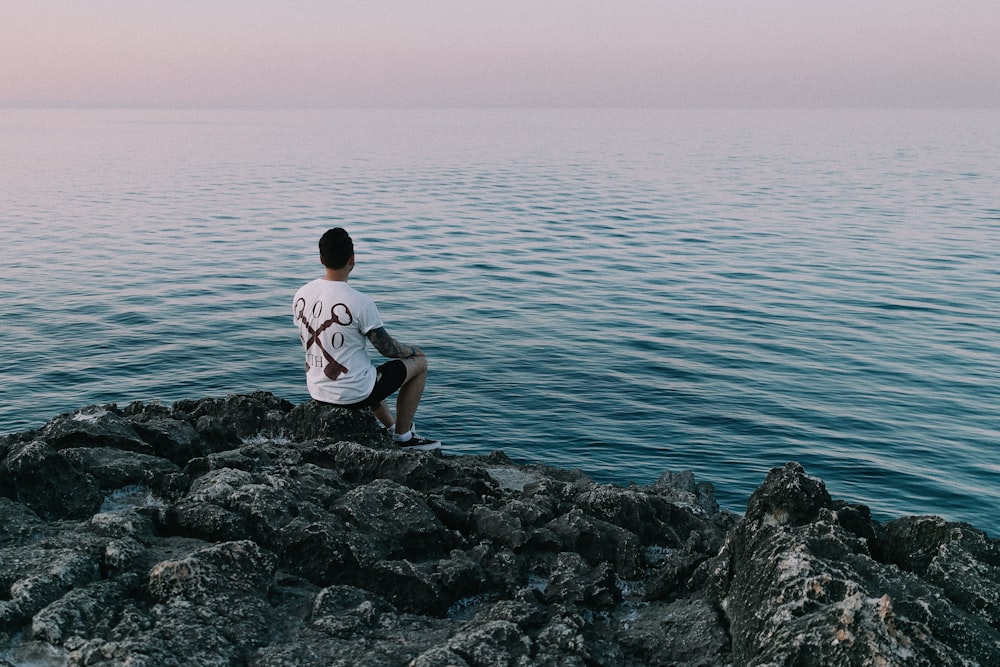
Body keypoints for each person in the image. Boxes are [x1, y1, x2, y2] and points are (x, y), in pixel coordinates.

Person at [293, 227, 441, 451]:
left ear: (321, 259)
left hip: (316, 388)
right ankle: (404, 437)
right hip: (351, 393)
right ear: (352, 259)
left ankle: (391, 427)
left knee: (367, 371)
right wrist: (413, 350)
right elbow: (388, 349)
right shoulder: (360, 302)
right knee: (420, 364)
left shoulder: (302, 293)